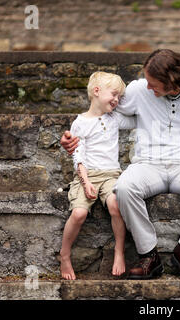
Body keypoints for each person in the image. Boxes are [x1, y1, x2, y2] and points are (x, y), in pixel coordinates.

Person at [61, 49, 180, 280]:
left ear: (173, 83)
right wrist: (72, 139)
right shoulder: (139, 89)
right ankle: (148, 254)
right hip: (148, 164)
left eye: (153, 83)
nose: (147, 86)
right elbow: (99, 112)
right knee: (124, 188)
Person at [60, 71, 136, 280]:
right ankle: (65, 254)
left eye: (119, 97)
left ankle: (119, 252)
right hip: (87, 175)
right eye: (113, 94)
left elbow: (137, 119)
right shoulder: (80, 123)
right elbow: (78, 157)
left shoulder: (115, 118)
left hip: (111, 175)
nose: (117, 100)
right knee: (79, 214)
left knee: (116, 205)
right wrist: (85, 184)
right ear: (96, 91)